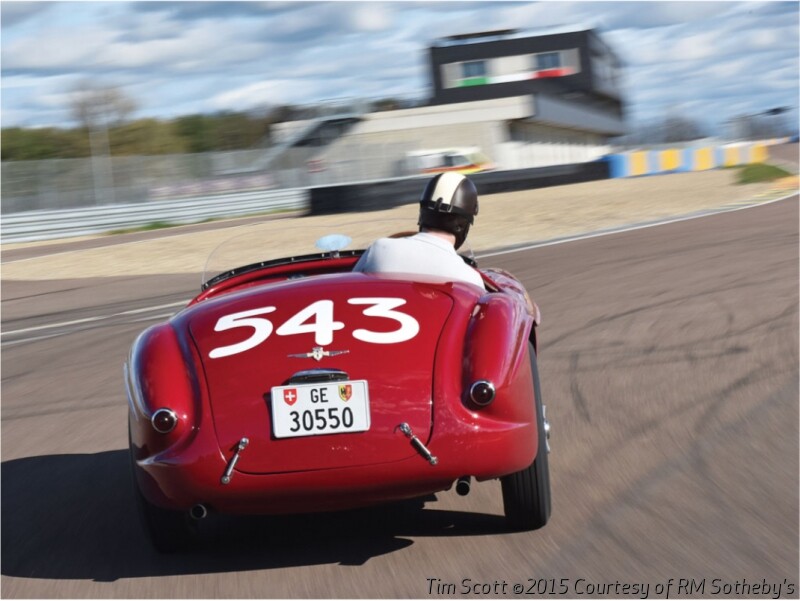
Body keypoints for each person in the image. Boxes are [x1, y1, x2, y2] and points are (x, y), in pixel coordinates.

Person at [353, 172, 485, 289]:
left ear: (423, 213)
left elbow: (350, 287)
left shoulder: (379, 248)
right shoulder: (469, 278)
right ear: (463, 225)